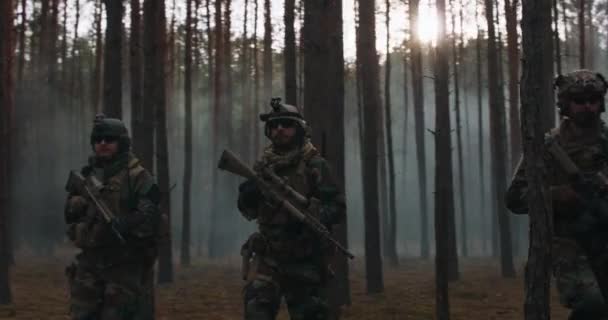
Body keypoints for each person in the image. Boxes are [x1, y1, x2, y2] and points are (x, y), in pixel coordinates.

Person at [506, 70, 608, 319]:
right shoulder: (550, 147)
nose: (587, 107)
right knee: (593, 306)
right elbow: (515, 198)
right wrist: (553, 195)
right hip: (570, 248)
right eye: (579, 100)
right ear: (565, 104)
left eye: (593, 99)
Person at [237, 98, 346, 320]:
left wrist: (308, 217)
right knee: (255, 311)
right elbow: (248, 211)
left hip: (305, 260)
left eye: (286, 124)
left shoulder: (315, 166)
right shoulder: (263, 167)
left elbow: (338, 208)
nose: (279, 130)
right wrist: (249, 193)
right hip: (268, 259)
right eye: (274, 126)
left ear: (299, 130)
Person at [64, 114, 160, 320]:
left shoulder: (139, 176)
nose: (103, 144)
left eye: (109, 139)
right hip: (90, 264)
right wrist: (77, 205)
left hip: (124, 265)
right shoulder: (88, 175)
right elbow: (69, 216)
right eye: (98, 140)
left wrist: (126, 223)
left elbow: (150, 213)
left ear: (122, 142)